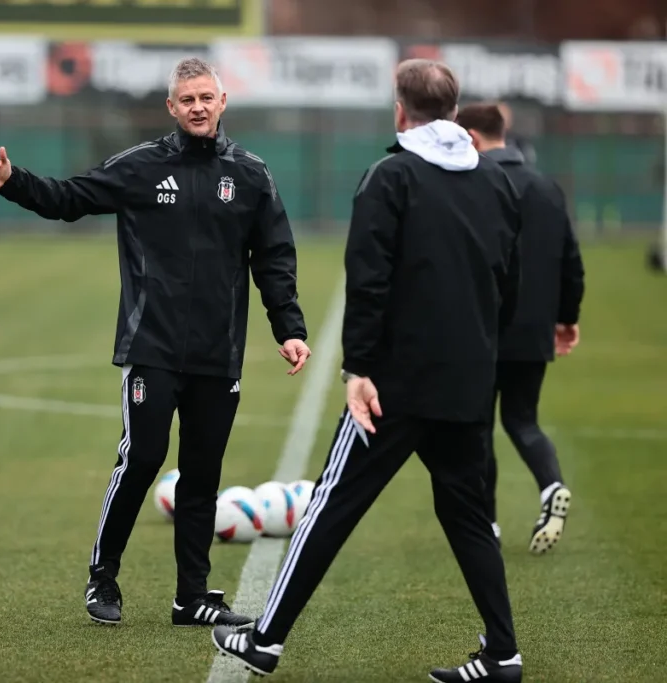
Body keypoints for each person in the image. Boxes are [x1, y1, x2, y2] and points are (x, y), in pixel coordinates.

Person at [0, 57, 311, 628]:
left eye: (207, 97)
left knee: (202, 474)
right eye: (187, 99)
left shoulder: (251, 174)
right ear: (171, 108)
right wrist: (13, 183)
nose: (198, 106)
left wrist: (290, 328)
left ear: (223, 101)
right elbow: (68, 198)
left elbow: (273, 257)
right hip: (152, 347)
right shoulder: (141, 167)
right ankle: (103, 578)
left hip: (217, 353)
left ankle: (191, 598)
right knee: (143, 458)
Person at [211, 59, 525, 683]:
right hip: (467, 380)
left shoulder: (391, 175)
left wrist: (358, 367)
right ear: (455, 112)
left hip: (395, 385)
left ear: (399, 110)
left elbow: (369, 278)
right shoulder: (496, 182)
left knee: (331, 503)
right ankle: (504, 655)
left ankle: (265, 641)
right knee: (468, 513)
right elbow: (506, 283)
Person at [457, 102, 585, 554]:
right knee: (522, 419)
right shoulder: (547, 186)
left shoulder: (472, 182)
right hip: (533, 328)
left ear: (471, 137)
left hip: (483, 327)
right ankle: (551, 486)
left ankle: (487, 524)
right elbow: (571, 259)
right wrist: (567, 318)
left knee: (478, 425)